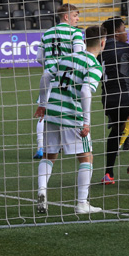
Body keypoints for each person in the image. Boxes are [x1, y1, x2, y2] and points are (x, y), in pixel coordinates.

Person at [34, 24, 106, 215]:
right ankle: (82, 203)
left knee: (49, 156)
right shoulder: (93, 64)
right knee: (86, 157)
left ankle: (42, 191)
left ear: (83, 41)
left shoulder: (65, 58)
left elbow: (45, 77)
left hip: (52, 112)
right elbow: (84, 91)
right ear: (103, 42)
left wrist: (42, 103)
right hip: (71, 117)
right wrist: (86, 121)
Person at [100, 16, 129, 184]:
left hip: (108, 100)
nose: (126, 33)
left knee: (115, 131)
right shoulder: (126, 48)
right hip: (128, 98)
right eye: (124, 29)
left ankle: (108, 174)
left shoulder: (101, 51)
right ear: (116, 32)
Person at [33, 3, 83, 159]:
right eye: (75, 16)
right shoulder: (75, 33)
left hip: (48, 79)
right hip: (67, 80)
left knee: (44, 112)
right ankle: (74, 146)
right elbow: (79, 55)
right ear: (66, 17)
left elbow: (39, 58)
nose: (78, 19)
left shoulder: (47, 33)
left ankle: (41, 147)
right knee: (72, 110)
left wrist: (50, 64)